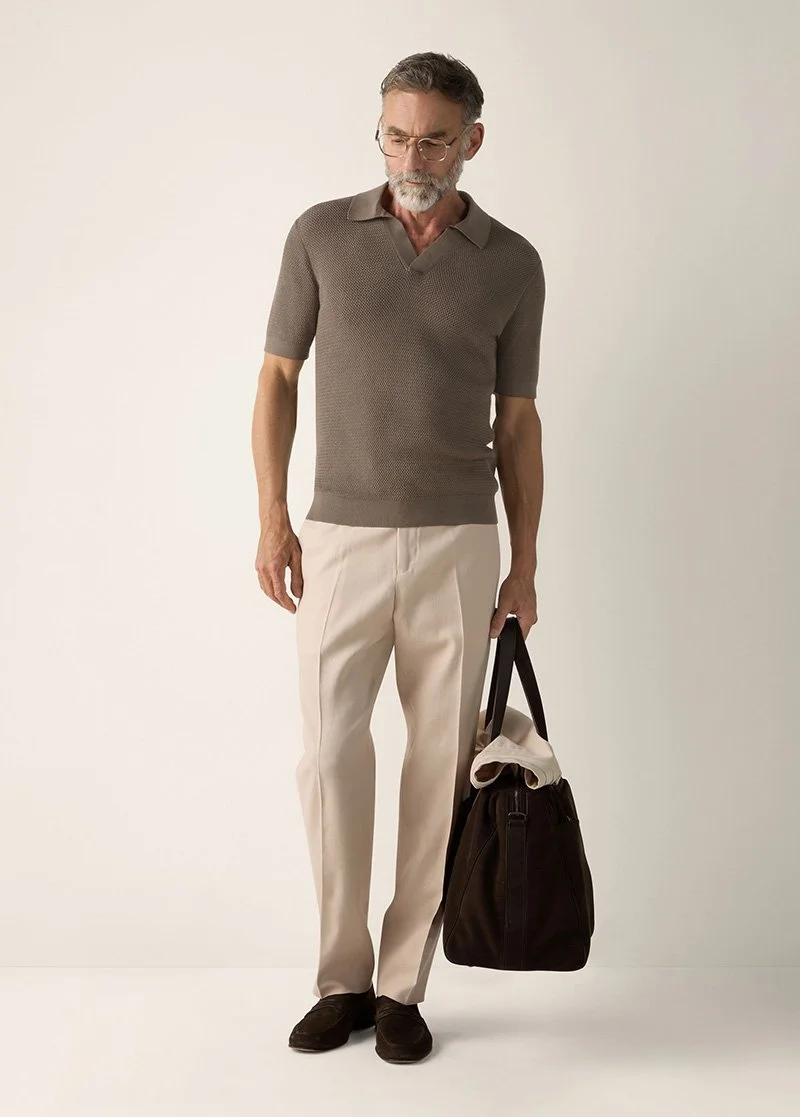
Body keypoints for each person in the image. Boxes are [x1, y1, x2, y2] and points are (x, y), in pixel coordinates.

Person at [251, 51, 545, 1064]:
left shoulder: (512, 262)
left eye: (432, 140)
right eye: (394, 136)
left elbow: (518, 423)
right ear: (377, 132)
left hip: (460, 541)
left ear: (471, 141)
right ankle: (340, 978)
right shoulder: (320, 235)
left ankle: (401, 985)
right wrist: (272, 516)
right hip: (339, 535)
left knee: (438, 764)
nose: (411, 158)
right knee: (329, 753)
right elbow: (276, 379)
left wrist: (524, 563)